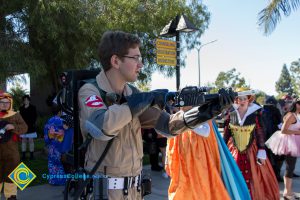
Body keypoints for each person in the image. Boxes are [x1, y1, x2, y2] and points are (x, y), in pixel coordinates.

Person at [78, 30, 234, 200]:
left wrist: (207, 111)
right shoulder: (91, 90)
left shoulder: (132, 93)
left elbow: (168, 125)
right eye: (135, 58)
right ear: (115, 61)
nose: (141, 64)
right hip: (105, 193)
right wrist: (146, 99)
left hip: (134, 192)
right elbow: (102, 126)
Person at [223, 88, 279, 200]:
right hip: (234, 150)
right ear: (236, 100)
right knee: (234, 176)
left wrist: (261, 149)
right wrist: (222, 149)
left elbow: (260, 132)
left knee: (255, 178)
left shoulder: (256, 113)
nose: (242, 101)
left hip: (252, 151)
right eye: (239, 99)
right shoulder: (232, 114)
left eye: (245, 99)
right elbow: (227, 133)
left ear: (249, 100)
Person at [266, 99, 300, 199]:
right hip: (289, 143)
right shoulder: (291, 115)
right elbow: (283, 130)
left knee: (291, 167)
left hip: (294, 142)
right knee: (290, 167)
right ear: (297, 105)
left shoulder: (297, 115)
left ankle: (288, 191)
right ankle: (287, 192)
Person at [0, 91, 28, 200]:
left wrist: (13, 126)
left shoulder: (15, 114)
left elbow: (25, 127)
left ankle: (11, 196)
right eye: (2, 102)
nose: (4, 104)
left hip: (11, 153)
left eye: (7, 102)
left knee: (11, 175)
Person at [44, 106, 72, 185]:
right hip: (59, 144)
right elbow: (67, 130)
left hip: (51, 144)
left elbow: (46, 131)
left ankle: (52, 180)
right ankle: (60, 181)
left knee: (52, 162)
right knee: (58, 162)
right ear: (59, 112)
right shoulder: (62, 121)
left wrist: (48, 141)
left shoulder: (49, 120)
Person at [261, 96, 284, 182]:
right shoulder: (276, 110)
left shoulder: (261, 111)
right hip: (274, 137)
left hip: (263, 137)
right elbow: (280, 124)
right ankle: (276, 175)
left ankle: (266, 176)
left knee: (266, 157)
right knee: (276, 157)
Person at [19, 95, 38, 160]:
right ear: (23, 101)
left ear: (29, 100)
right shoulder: (21, 108)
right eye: (24, 100)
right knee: (23, 140)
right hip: (23, 127)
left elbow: (35, 116)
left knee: (30, 140)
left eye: (27, 100)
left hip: (30, 126)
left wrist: (31, 124)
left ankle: (31, 156)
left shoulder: (33, 107)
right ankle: (23, 156)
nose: (26, 101)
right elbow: (20, 118)